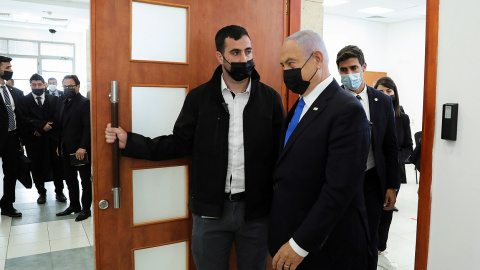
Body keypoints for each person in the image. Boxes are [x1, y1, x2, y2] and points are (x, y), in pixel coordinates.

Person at [105, 25, 285, 270]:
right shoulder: (200, 98)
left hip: (256, 213)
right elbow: (179, 143)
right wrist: (131, 142)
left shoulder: (270, 99)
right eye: (235, 53)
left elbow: (281, 155)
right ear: (219, 56)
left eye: (248, 51)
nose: (244, 59)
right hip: (210, 212)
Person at [269, 30, 371, 270]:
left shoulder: (346, 110)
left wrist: (299, 244)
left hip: (324, 247)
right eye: (283, 64)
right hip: (292, 233)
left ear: (317, 59)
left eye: (291, 63)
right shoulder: (300, 105)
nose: (286, 71)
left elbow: (339, 189)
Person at [336, 45, 398, 270]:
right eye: (344, 70)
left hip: (372, 181)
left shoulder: (382, 101)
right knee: (342, 236)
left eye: (353, 68)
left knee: (370, 237)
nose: (349, 74)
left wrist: (392, 185)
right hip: (340, 183)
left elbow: (391, 146)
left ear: (364, 67)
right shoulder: (332, 100)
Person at [374, 76, 413, 270]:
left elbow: (409, 146)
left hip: (393, 172)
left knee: (386, 214)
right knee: (370, 212)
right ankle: (367, 251)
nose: (386, 95)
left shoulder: (402, 118)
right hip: (372, 172)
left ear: (394, 94)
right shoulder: (370, 115)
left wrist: (395, 158)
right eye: (381, 91)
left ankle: (380, 251)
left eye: (389, 91)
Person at [22, 73, 67, 204]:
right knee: (36, 167)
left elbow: (58, 116)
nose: (37, 87)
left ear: (44, 85)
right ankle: (41, 192)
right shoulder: (24, 100)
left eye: (39, 84)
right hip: (34, 141)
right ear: (30, 85)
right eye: (34, 85)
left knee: (57, 165)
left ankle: (59, 192)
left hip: (52, 139)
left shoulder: (54, 99)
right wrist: (41, 126)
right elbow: (24, 118)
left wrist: (44, 128)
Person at [56, 75, 91, 222]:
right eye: (65, 86)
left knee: (84, 180)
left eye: (71, 86)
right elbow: (61, 127)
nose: (67, 89)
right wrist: (59, 145)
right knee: (70, 180)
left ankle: (85, 209)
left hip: (79, 150)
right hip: (65, 149)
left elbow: (87, 127)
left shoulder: (84, 103)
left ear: (77, 86)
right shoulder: (63, 102)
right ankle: (74, 206)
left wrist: (83, 147)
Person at [0, 56, 24, 217]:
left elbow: (18, 115)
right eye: (7, 67)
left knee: (11, 173)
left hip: (12, 138)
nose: (10, 70)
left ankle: (7, 205)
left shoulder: (12, 91)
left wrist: (20, 139)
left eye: (10, 67)